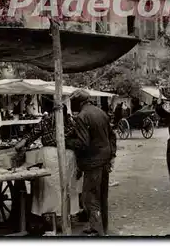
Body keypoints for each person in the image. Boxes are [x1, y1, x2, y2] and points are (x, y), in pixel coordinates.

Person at [15, 103, 80, 231]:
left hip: (50, 155)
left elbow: (32, 134)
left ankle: (49, 216)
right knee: (66, 185)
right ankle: (65, 216)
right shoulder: (70, 122)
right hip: (68, 155)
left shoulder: (46, 121)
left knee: (48, 187)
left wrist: (20, 144)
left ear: (51, 111)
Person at [71, 89, 116, 237]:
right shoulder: (101, 113)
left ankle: (98, 230)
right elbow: (112, 136)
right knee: (102, 195)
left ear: (79, 102)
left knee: (89, 197)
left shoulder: (82, 116)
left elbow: (83, 143)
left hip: (93, 162)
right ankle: (103, 227)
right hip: (104, 159)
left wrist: (68, 141)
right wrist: (111, 155)